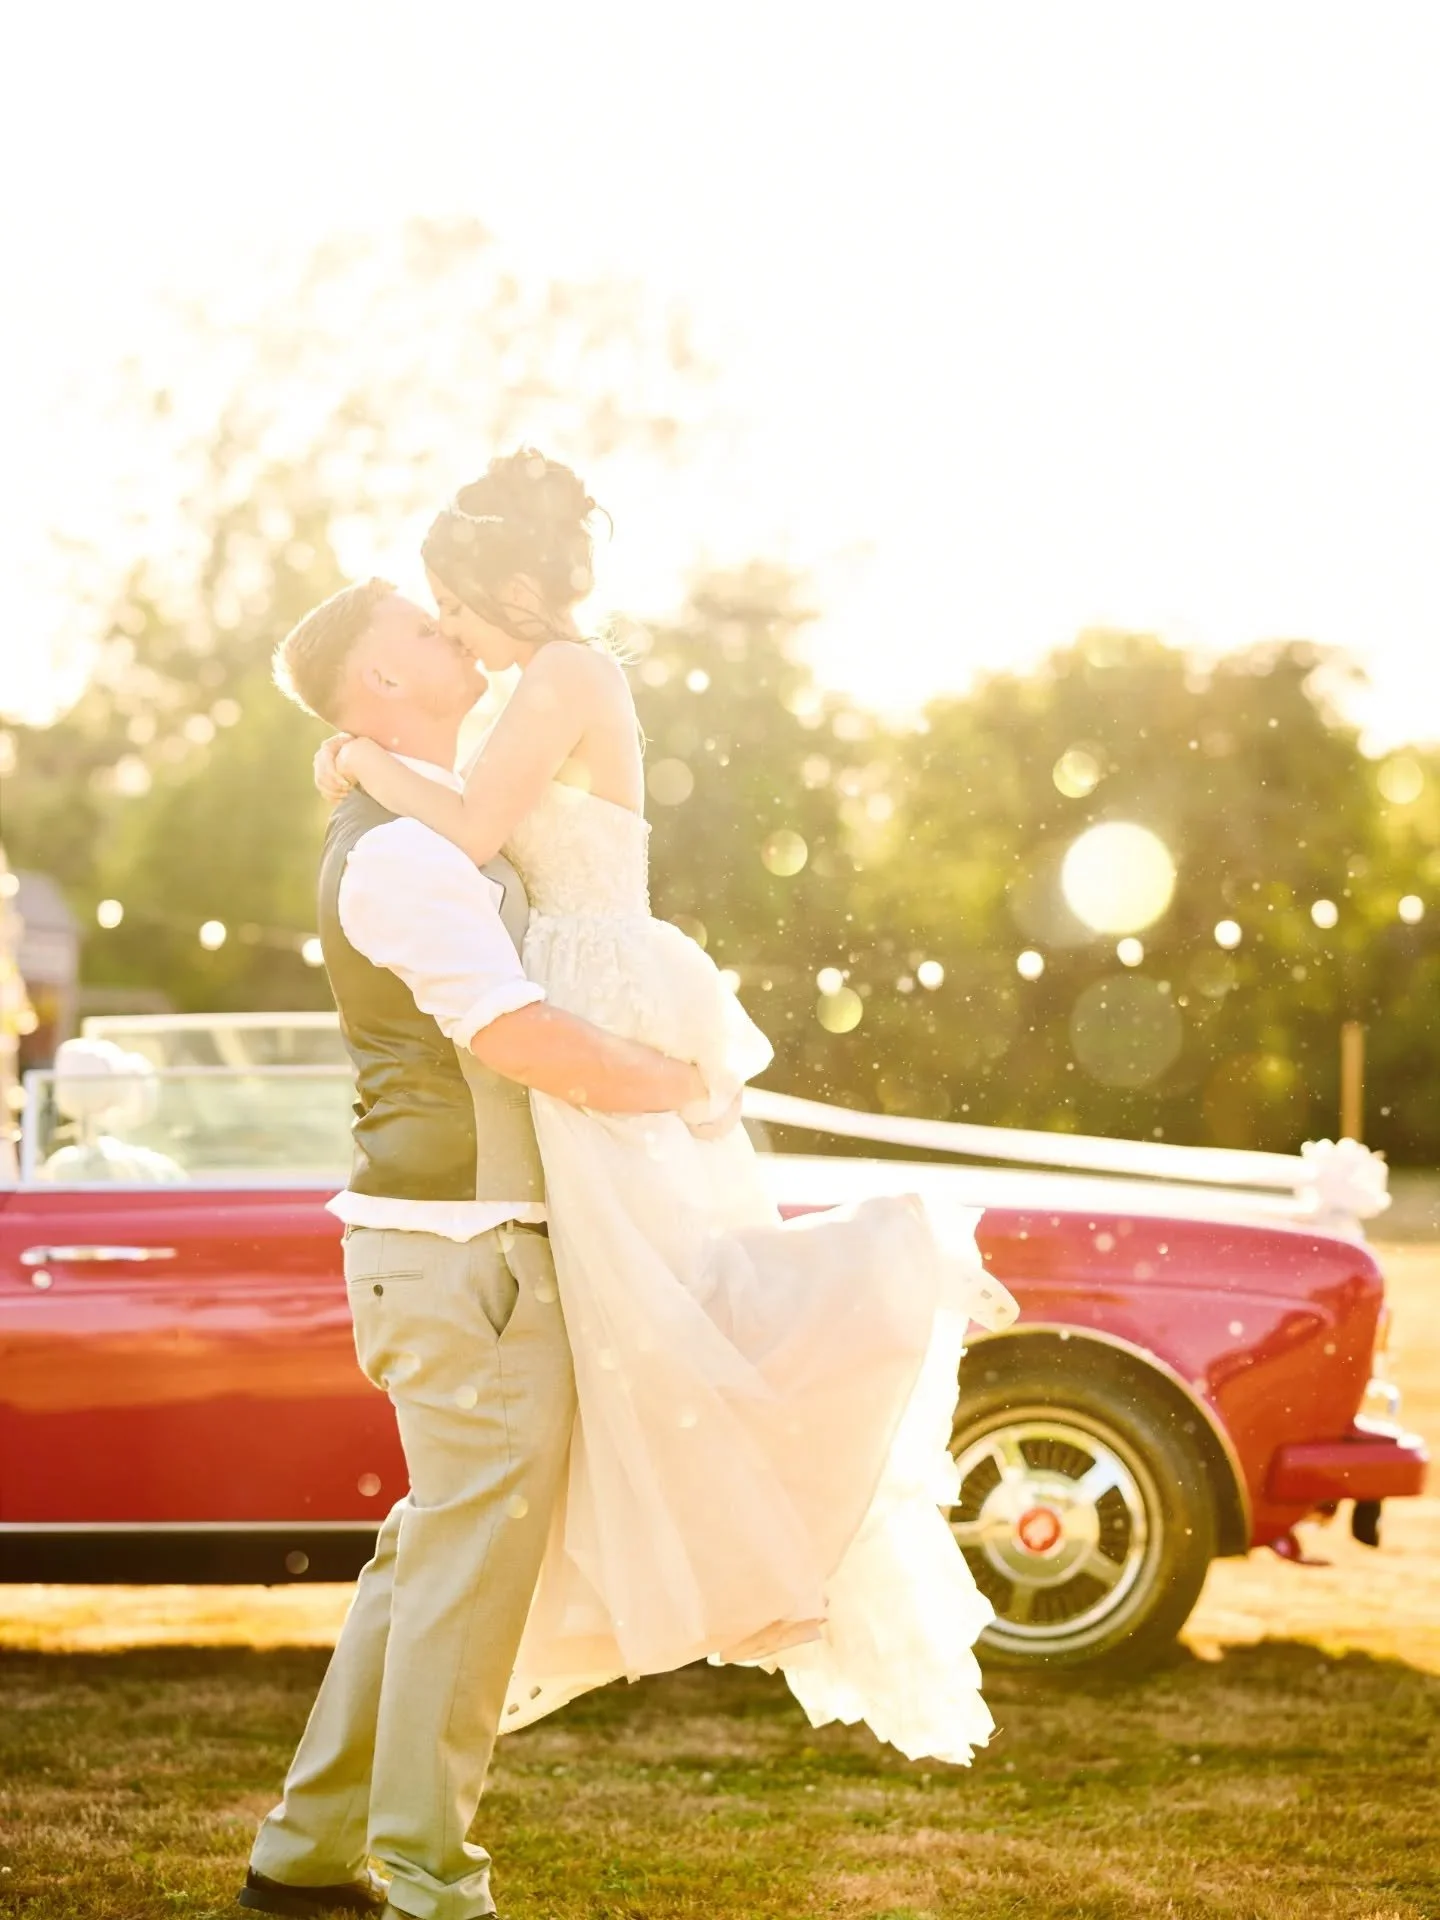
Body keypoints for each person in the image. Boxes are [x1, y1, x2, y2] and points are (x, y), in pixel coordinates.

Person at [313, 453, 1015, 1765]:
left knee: (667, 1292)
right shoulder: (534, 685)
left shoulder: (572, 673)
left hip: (594, 976)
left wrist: (357, 758)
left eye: (448, 603)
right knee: (638, 1307)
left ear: (499, 583)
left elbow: (468, 831)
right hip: (572, 966)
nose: (446, 626)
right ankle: (659, 1560)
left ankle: (886, 1269)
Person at [245, 580, 728, 1920]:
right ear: (376, 686)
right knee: (465, 1581)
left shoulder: (421, 824)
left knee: (428, 1564)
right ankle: (428, 1879)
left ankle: (304, 1853)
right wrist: (675, 1083)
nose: (448, 634)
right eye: (419, 627)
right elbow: (511, 1031)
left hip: (462, 1255)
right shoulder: (399, 858)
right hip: (469, 1262)